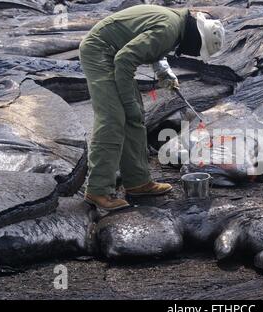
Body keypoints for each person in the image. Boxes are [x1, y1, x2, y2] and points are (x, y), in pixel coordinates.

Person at [79, 4, 225, 211]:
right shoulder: (170, 28)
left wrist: (164, 72)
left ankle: (138, 182)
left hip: (115, 54)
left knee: (134, 117)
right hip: (100, 51)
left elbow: (151, 46)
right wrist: (129, 103)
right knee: (113, 118)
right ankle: (98, 190)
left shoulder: (176, 25)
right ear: (196, 39)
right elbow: (124, 60)